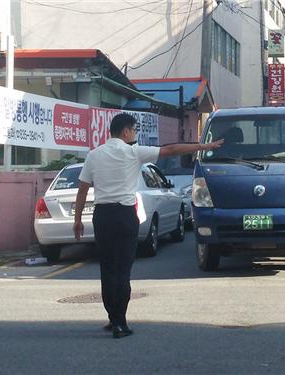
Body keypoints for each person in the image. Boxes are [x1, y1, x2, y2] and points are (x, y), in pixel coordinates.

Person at [73, 113, 223, 339]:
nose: (135, 134)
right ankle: (120, 323)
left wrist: (77, 220)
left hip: (102, 216)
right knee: (123, 269)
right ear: (125, 132)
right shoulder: (134, 152)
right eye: (133, 130)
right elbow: (171, 150)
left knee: (108, 268)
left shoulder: (94, 155)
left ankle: (113, 318)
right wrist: (204, 146)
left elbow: (83, 189)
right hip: (124, 215)